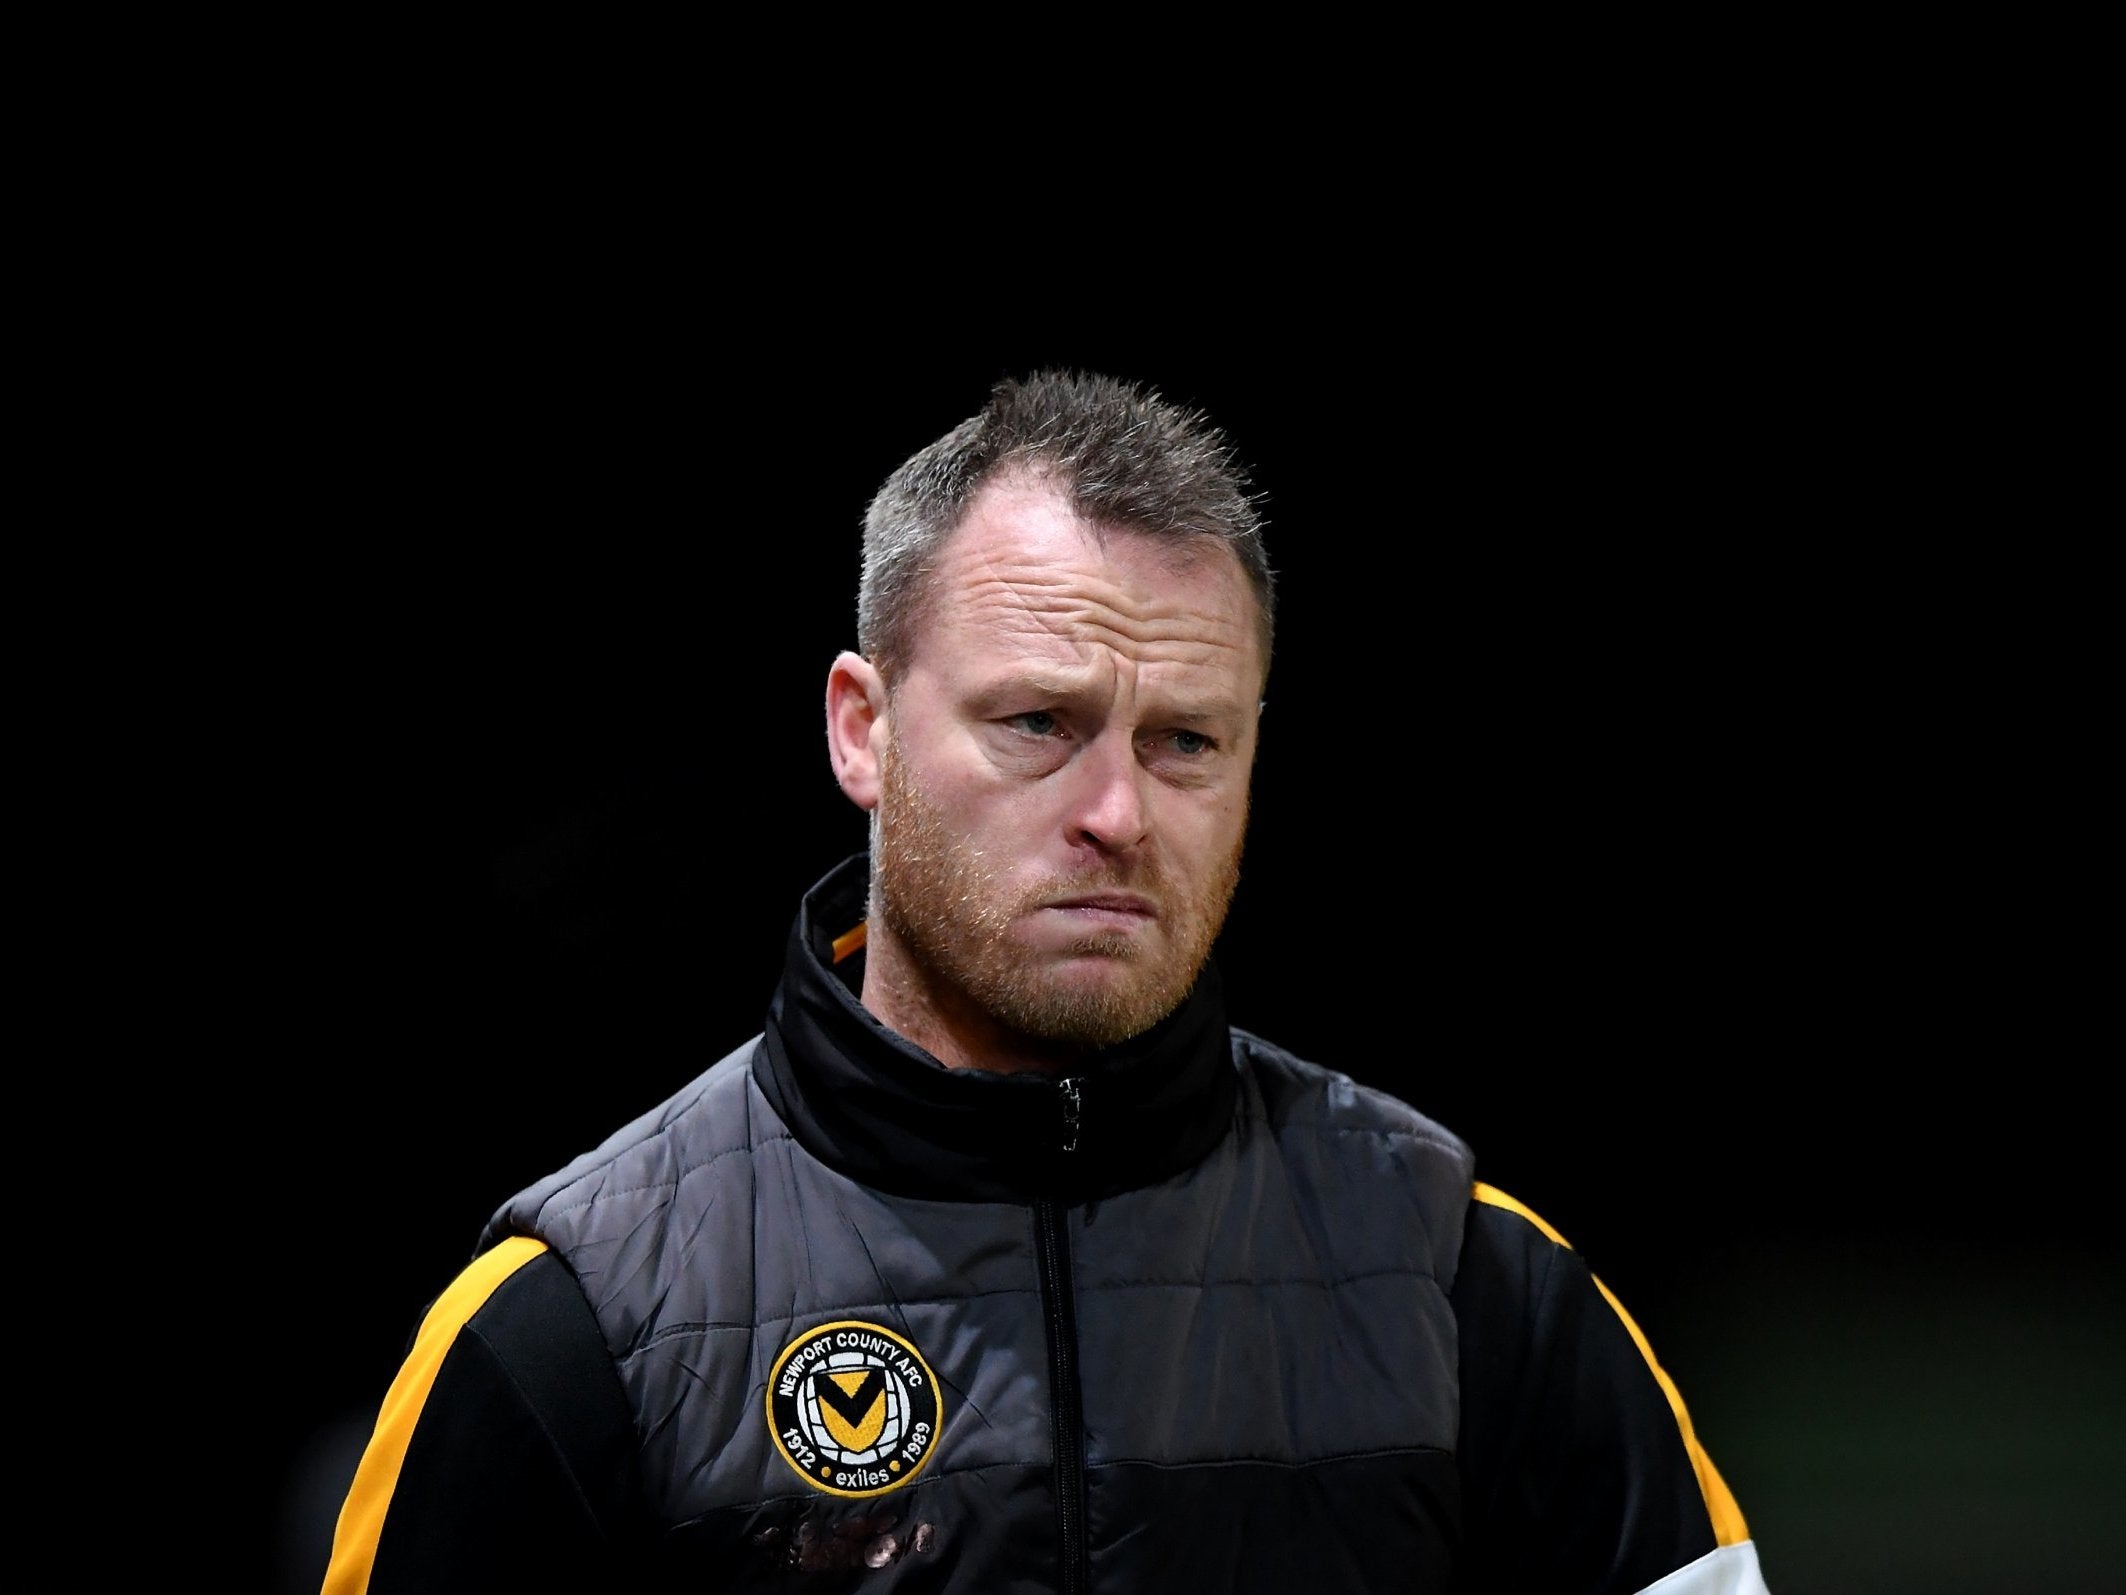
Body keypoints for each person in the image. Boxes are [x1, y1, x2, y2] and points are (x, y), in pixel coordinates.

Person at [321, 369, 1771, 1593]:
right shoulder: (571, 1330)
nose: (1120, 815)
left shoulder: (1469, 1285)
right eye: (1037, 722)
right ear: (861, 730)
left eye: (1186, 742)